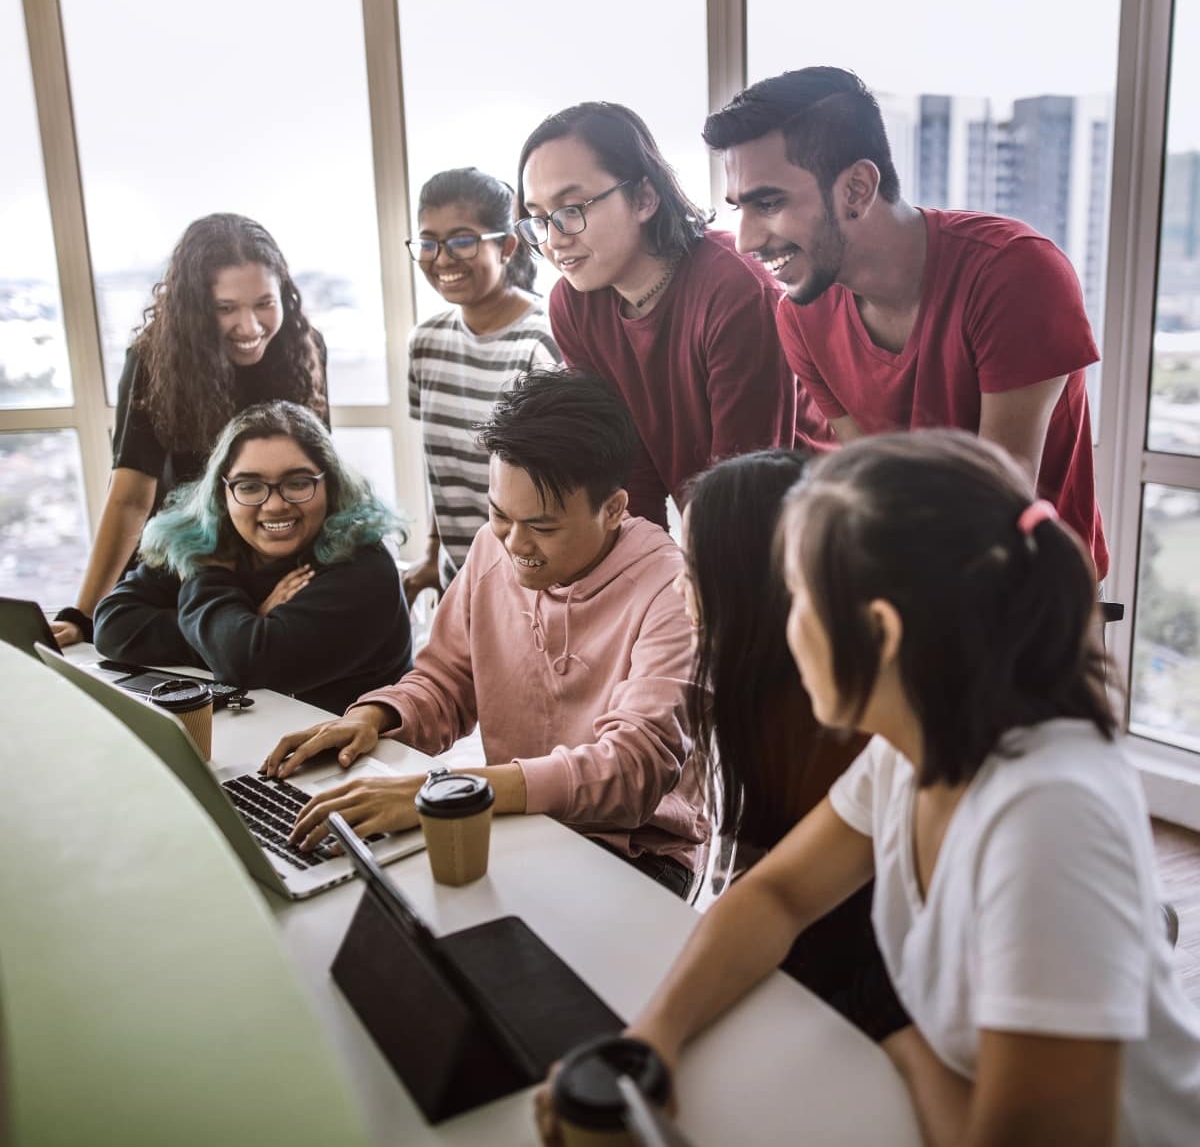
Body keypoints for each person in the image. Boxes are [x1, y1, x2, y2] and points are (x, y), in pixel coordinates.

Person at [537, 429, 1200, 1147]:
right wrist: (650, 1042)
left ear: (879, 633)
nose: (786, 629)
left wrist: (904, 1047)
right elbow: (777, 896)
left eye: (797, 601)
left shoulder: (1048, 818)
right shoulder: (912, 747)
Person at [263, 369, 706, 897]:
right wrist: (373, 717)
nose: (515, 543)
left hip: (634, 853)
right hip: (513, 819)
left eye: (542, 527)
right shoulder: (489, 548)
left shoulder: (671, 589)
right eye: (499, 514)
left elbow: (633, 770)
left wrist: (452, 789)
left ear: (613, 509)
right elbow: (446, 681)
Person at [702, 67, 1109, 579]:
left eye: (769, 203)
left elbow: (1000, 503)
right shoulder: (801, 315)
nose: (746, 240)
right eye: (740, 208)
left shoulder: (1015, 270)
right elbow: (877, 484)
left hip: (1033, 598)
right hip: (915, 588)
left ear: (856, 188)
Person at [677, 449, 908, 1042]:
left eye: (692, 567)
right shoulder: (752, 696)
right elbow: (767, 890)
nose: (680, 587)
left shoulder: (852, 732)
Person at [515, 101, 832, 530]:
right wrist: (643, 577)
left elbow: (746, 484)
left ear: (644, 198)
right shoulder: (573, 303)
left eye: (572, 209)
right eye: (538, 219)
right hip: (718, 524)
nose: (553, 240)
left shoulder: (736, 290)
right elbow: (626, 470)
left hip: (801, 531)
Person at [52, 213, 329, 647]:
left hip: (271, 557)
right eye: (226, 308)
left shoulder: (303, 346)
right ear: (196, 309)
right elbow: (129, 498)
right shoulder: (153, 358)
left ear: (285, 296)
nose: (251, 327)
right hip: (183, 566)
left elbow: (317, 476)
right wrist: (82, 615)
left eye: (264, 303)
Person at [93, 401, 411, 715]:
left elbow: (248, 663)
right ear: (223, 493)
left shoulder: (365, 567)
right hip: (256, 738)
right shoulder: (205, 541)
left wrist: (213, 590)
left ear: (331, 485)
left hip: (365, 754)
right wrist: (234, 629)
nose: (274, 505)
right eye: (250, 486)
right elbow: (111, 626)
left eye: (298, 483)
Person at [404, 167, 560, 606]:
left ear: (507, 246)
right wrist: (433, 555)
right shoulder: (424, 343)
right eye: (429, 242)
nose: (442, 258)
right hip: (462, 585)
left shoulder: (541, 342)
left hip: (532, 587)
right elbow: (440, 469)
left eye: (461, 240)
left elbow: (554, 490)